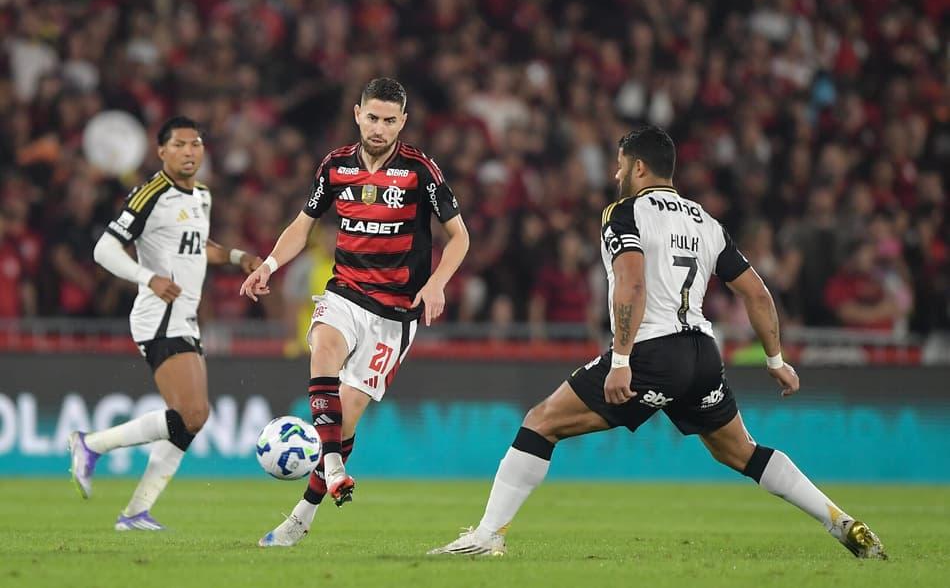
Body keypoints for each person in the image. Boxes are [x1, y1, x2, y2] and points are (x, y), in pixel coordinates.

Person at [428, 125, 886, 559]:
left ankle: (488, 537)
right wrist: (776, 359)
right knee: (740, 451)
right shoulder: (706, 221)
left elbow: (630, 282)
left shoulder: (623, 212)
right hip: (704, 353)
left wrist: (622, 360)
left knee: (541, 422)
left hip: (652, 350)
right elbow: (758, 293)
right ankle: (841, 522)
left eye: (620, 165)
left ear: (639, 168)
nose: (615, 174)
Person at [240, 77, 469, 547]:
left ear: (403, 122)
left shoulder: (421, 171)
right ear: (357, 114)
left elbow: (460, 236)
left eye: (390, 120)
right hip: (346, 292)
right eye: (373, 117)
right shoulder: (335, 166)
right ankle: (336, 467)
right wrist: (268, 264)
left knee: (347, 417)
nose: (380, 127)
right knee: (322, 346)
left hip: (395, 315)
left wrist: (436, 284)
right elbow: (303, 226)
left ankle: (300, 518)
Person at [68, 116, 262, 530]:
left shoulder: (202, 196)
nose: (189, 151)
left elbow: (196, 245)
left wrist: (235, 257)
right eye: (179, 145)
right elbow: (104, 249)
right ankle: (91, 445)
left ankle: (135, 511)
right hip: (158, 316)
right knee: (193, 412)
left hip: (184, 317)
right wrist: (147, 277)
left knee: (192, 417)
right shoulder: (150, 194)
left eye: (195, 144)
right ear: (161, 151)